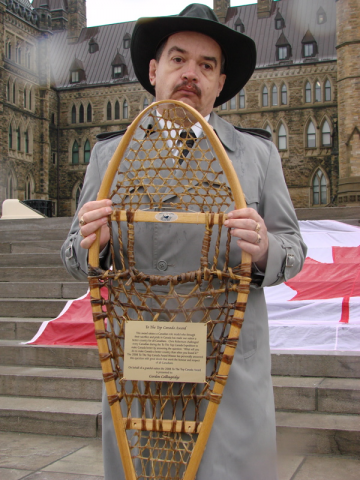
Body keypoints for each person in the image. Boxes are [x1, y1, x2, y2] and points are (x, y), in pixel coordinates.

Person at [61, 4, 307, 479]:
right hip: (145, 378)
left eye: (206, 65)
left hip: (229, 373)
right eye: (178, 59)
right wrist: (98, 243)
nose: (191, 73)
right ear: (155, 71)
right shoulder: (109, 156)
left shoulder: (257, 155)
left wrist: (264, 250)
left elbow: (292, 247)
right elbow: (75, 255)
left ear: (221, 82)